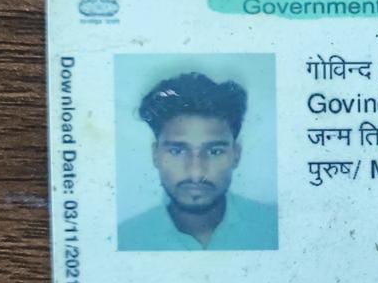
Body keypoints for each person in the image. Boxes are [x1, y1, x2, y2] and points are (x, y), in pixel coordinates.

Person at [118, 72, 277, 251]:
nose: (196, 172)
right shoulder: (126, 239)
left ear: (236, 155)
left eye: (215, 151)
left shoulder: (275, 227)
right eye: (177, 151)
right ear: (155, 155)